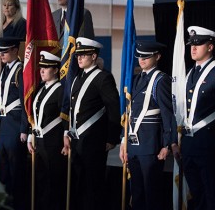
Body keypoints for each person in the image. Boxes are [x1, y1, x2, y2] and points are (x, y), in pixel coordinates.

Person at [174, 26, 215, 210]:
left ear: (210, 47)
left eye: (198, 44)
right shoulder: (190, 73)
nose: (193, 48)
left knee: (212, 194)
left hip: (209, 145)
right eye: (191, 44)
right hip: (190, 144)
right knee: (196, 194)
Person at [61, 37, 120, 210]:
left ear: (94, 56)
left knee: (93, 184)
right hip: (78, 139)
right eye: (78, 55)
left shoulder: (103, 78)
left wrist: (111, 137)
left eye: (84, 55)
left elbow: (113, 108)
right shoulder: (77, 77)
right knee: (79, 183)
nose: (79, 58)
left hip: (94, 139)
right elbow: (72, 109)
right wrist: (67, 133)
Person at [119, 41, 176, 210]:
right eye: (139, 56)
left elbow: (167, 113)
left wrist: (167, 144)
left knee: (152, 193)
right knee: (137, 193)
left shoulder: (161, 80)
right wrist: (124, 141)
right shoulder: (137, 79)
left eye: (146, 56)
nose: (141, 60)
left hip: (151, 145)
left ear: (157, 57)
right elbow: (130, 114)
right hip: (134, 145)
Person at [0, 37, 29, 210]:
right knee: (4, 170)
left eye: (4, 51)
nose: (1, 55)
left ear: (15, 50)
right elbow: (2, 101)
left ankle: (17, 204)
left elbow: (25, 102)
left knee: (16, 171)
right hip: (4, 125)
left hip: (15, 127)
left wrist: (24, 128)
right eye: (0, 52)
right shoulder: (5, 70)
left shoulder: (21, 71)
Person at [27, 51, 66, 210]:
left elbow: (64, 117)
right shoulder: (41, 89)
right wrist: (30, 136)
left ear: (56, 70)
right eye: (41, 67)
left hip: (53, 143)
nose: (42, 70)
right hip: (39, 142)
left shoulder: (61, 90)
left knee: (53, 182)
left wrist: (65, 139)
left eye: (46, 67)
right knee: (40, 180)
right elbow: (35, 116)